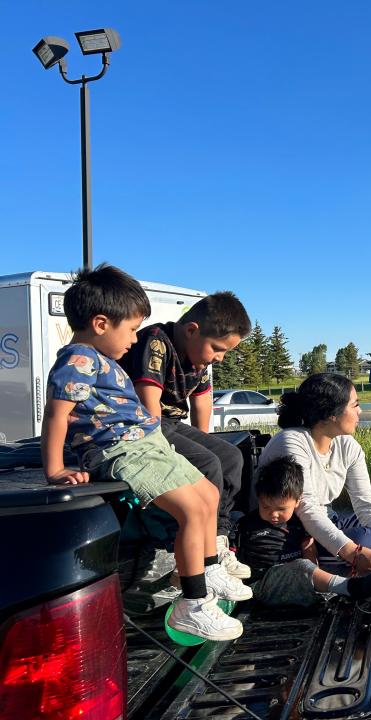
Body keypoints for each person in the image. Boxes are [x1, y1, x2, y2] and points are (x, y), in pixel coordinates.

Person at [41, 264, 250, 641]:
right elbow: (57, 414)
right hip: (122, 450)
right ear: (102, 323)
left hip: (144, 443)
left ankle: (208, 565)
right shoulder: (77, 360)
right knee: (189, 509)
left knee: (207, 494)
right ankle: (193, 602)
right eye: (132, 328)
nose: (135, 339)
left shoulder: (103, 361)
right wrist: (54, 469)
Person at [120, 291, 252, 579]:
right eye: (218, 349)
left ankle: (218, 538)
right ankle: (203, 559)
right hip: (147, 425)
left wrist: (205, 442)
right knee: (208, 463)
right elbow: (149, 404)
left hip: (174, 425)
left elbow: (202, 402)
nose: (220, 357)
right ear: (192, 330)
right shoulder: (156, 343)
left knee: (229, 457)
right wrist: (163, 449)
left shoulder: (199, 360)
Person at [258, 373, 371, 592]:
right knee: (365, 539)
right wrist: (353, 552)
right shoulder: (292, 442)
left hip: (327, 519)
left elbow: (365, 501)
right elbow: (308, 510)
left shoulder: (347, 446)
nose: (360, 411)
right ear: (331, 414)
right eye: (355, 405)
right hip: (293, 531)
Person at [236, 456, 371, 606]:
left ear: (297, 501)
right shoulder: (247, 525)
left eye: (281, 509)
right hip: (262, 585)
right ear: (259, 499)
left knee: (304, 566)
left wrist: (312, 575)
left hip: (296, 579)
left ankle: (339, 588)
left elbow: (309, 552)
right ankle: (350, 587)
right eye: (265, 507)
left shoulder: (300, 523)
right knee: (301, 567)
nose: (273, 514)